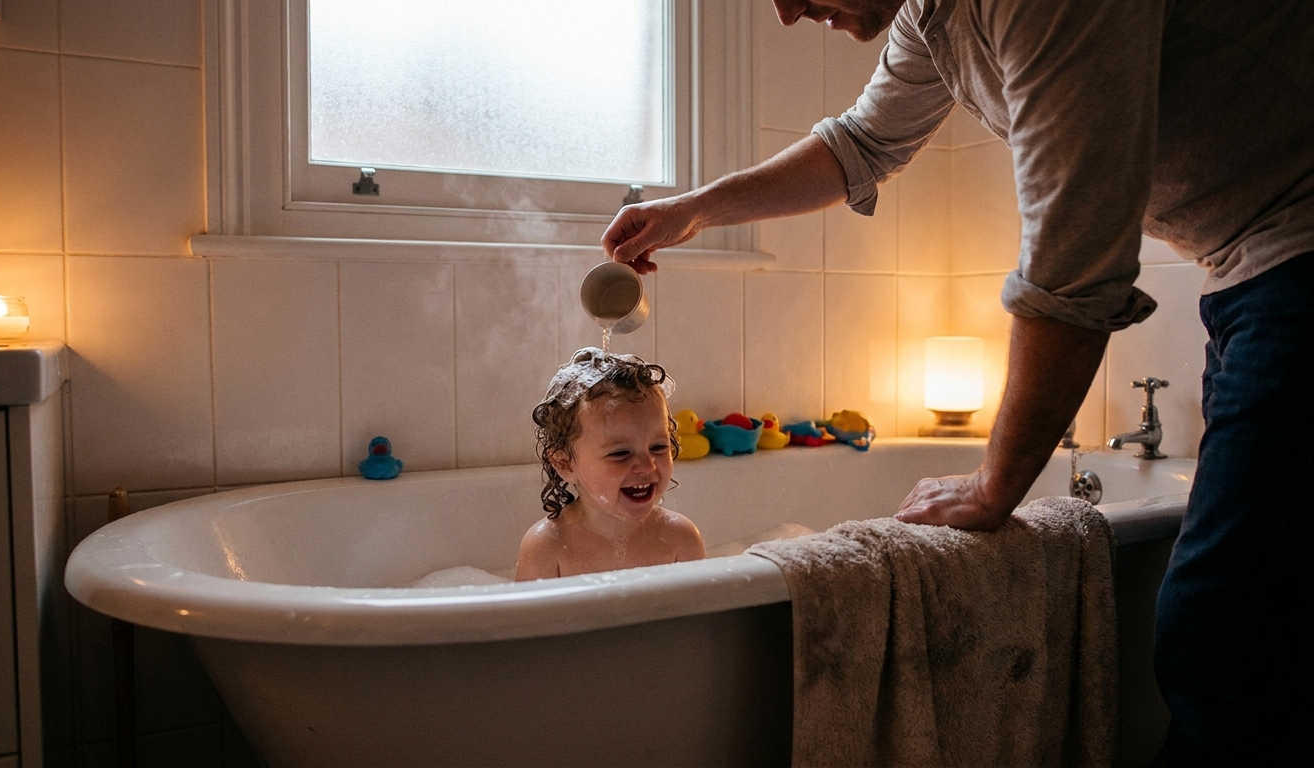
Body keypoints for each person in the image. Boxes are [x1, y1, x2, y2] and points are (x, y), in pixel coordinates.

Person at [601, 0, 1313, 764]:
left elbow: (1073, 264)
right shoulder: (930, 15)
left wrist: (995, 484)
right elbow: (860, 143)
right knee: (1256, 617)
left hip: (1295, 255)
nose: (784, 12)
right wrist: (694, 212)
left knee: (1221, 636)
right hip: (1251, 271)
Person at [516, 348, 706, 580]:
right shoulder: (547, 548)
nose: (648, 466)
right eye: (620, 453)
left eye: (658, 447)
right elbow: (532, 618)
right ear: (564, 464)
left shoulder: (681, 539)